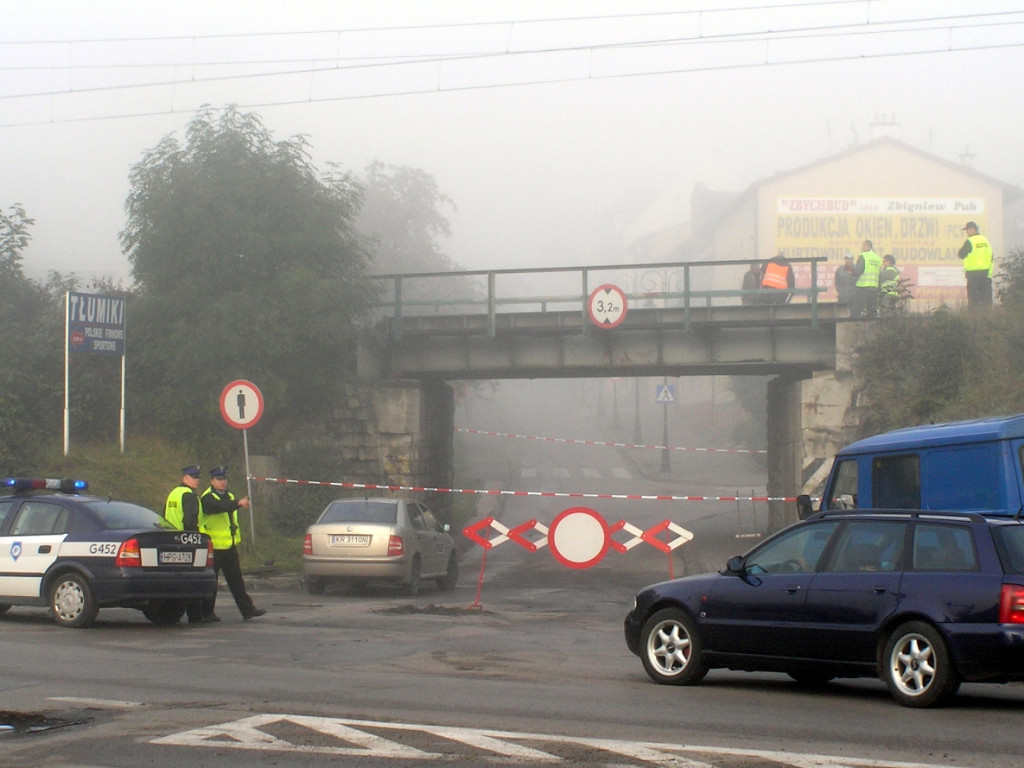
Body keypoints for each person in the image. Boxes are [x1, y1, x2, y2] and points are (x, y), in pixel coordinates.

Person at [200, 466, 266, 621]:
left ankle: (247, 610)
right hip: (213, 547)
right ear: (212, 481)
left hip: (229, 546)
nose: (223, 482)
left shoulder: (229, 495)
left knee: (236, 580)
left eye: (224, 479)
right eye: (219, 479)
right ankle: (207, 613)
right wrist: (238, 503)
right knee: (212, 582)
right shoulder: (207, 497)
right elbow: (219, 508)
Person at [164, 464, 209, 624]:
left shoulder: (173, 494)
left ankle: (171, 613)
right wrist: (196, 540)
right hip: (187, 542)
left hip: (172, 540)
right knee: (194, 579)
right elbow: (190, 521)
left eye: (198, 477)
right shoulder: (189, 495)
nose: (197, 481)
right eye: (193, 477)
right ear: (185, 478)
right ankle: (195, 615)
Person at [958, 221, 993, 307]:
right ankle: (987, 318)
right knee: (986, 301)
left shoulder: (970, 241)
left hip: (973, 275)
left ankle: (974, 318)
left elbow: (961, 254)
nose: (966, 232)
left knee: (974, 302)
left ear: (973, 229)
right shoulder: (985, 240)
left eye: (967, 230)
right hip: (986, 275)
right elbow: (991, 256)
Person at [850, 239, 881, 319]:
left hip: (862, 286)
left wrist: (852, 273)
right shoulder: (878, 258)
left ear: (866, 246)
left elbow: (858, 270)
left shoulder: (863, 256)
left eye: (863, 245)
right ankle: (872, 326)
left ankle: (853, 326)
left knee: (857, 308)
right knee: (872, 309)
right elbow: (880, 274)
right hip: (874, 287)